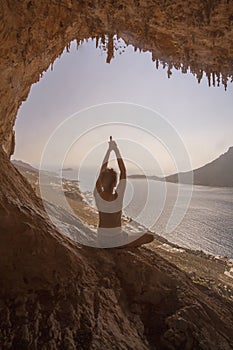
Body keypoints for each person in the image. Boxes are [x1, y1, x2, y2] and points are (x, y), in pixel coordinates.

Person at [93, 136, 127, 248]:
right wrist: (116, 150)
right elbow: (123, 171)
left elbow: (102, 170)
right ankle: (121, 245)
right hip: (116, 240)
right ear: (115, 183)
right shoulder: (118, 197)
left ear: (102, 182)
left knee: (126, 235)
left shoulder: (97, 195)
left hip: (102, 239)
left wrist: (109, 150)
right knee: (148, 237)